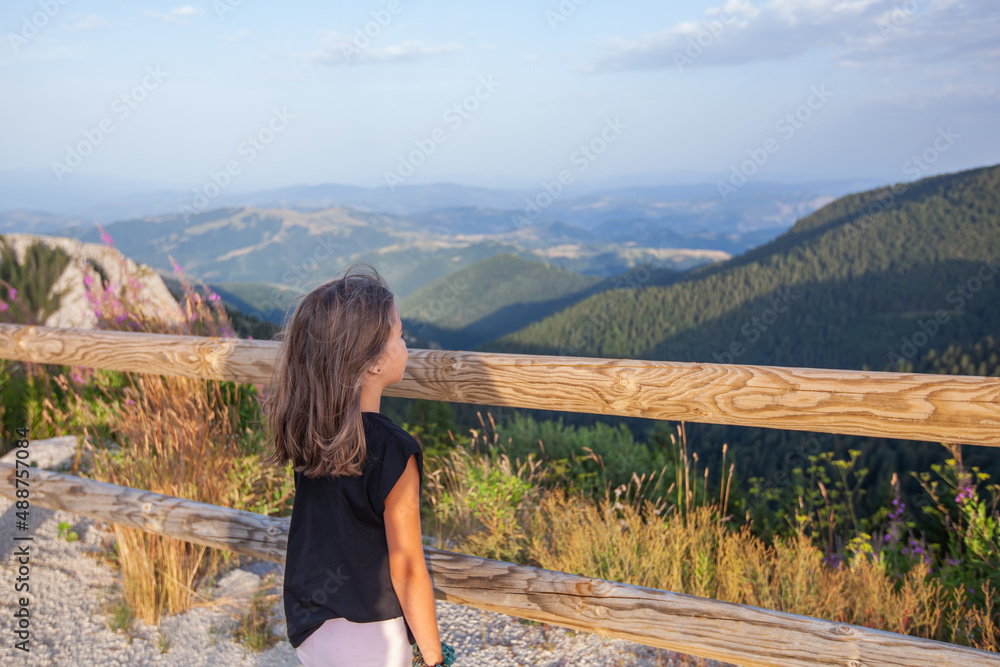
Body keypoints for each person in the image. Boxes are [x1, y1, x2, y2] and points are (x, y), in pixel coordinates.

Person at [263, 262, 451, 667]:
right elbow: (407, 566)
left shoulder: (311, 431)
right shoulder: (395, 452)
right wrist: (434, 658)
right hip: (371, 635)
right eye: (400, 336)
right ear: (373, 363)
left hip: (309, 625)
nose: (406, 345)